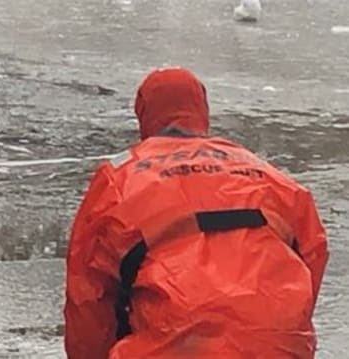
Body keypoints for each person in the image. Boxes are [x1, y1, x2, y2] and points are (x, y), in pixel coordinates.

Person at [64, 68, 328, 358]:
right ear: (202, 111)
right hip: (276, 343)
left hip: (174, 343)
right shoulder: (265, 172)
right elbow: (312, 251)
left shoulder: (119, 177)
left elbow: (88, 293)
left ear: (144, 114)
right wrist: (283, 324)